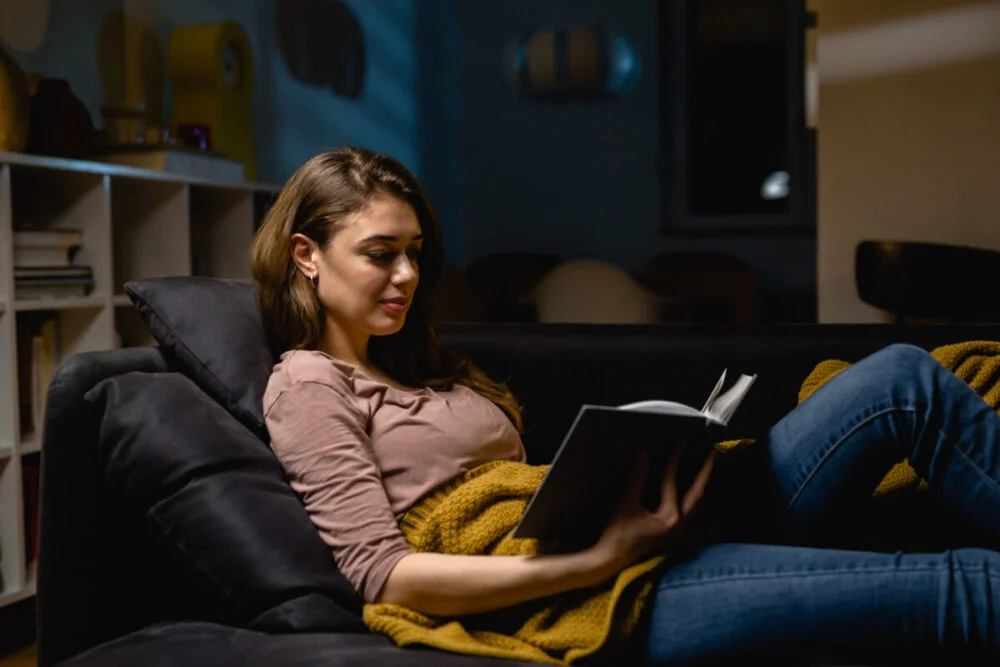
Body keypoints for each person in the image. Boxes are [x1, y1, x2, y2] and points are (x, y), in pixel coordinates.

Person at [250, 146, 1000, 665]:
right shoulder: (310, 383)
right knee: (960, 582)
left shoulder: (419, 369)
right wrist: (604, 556)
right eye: (382, 252)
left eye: (416, 250)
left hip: (653, 524)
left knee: (905, 376)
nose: (409, 273)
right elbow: (387, 576)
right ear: (306, 255)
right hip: (601, 588)